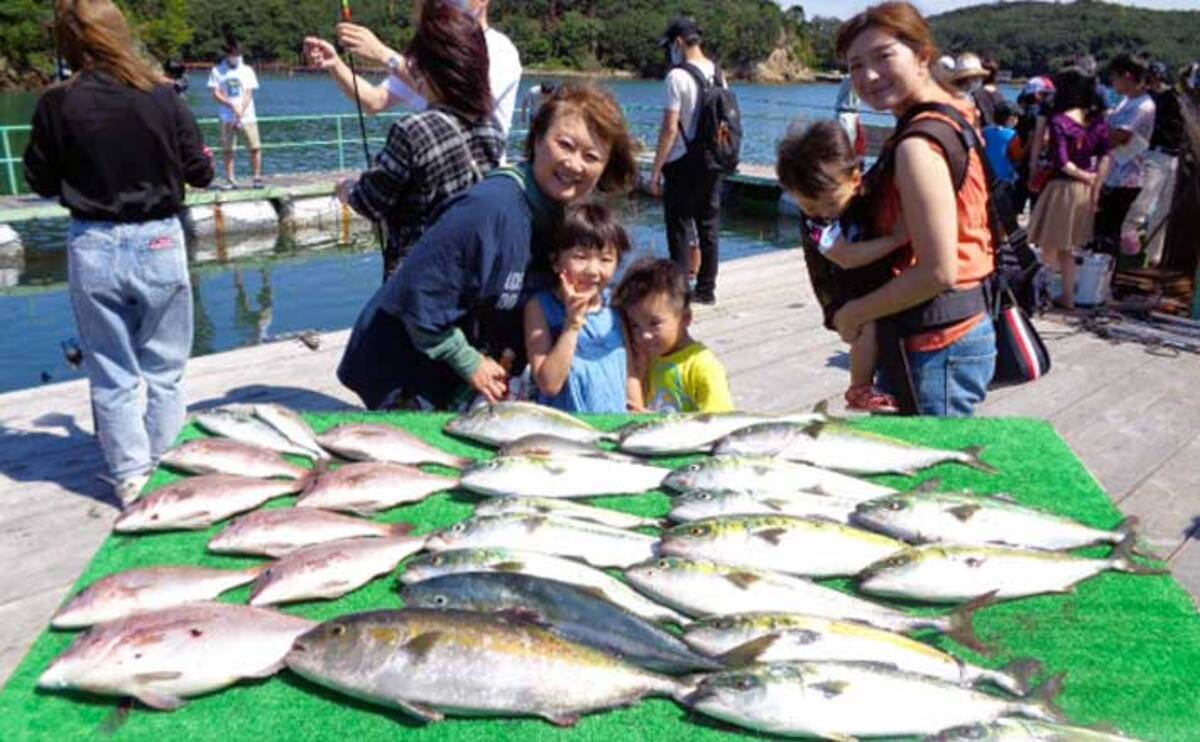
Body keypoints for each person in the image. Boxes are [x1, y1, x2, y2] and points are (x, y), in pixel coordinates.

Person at [336, 83, 638, 410]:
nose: (575, 164)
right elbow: (418, 295)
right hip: (404, 366)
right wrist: (468, 361)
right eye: (564, 144)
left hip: (471, 376)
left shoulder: (559, 213)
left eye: (592, 156)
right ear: (536, 139)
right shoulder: (490, 208)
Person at [23, 0, 214, 504]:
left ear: (69, 44)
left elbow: (38, 180)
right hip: (158, 238)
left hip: (95, 242)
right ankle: (170, 470)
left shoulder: (56, 103)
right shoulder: (163, 96)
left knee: (112, 371)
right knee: (166, 371)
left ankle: (131, 477)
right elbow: (201, 171)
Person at [833, 1, 997, 417]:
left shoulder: (917, 147)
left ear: (922, 55)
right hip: (958, 327)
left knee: (931, 473)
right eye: (855, 66)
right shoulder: (957, 112)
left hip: (935, 342)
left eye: (884, 57)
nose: (868, 76)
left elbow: (937, 271)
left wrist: (855, 312)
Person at [332, 0, 505, 277]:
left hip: (417, 278)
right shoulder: (491, 128)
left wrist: (348, 189)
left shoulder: (413, 130)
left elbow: (371, 200)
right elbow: (375, 100)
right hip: (470, 270)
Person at [777, 120, 909, 413]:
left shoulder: (868, 190)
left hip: (868, 282)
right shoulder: (816, 223)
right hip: (839, 290)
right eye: (809, 206)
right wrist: (897, 240)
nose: (822, 213)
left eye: (829, 203)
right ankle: (859, 387)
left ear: (855, 179)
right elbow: (844, 256)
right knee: (867, 325)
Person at [303, 0, 522, 141]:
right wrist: (336, 65)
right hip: (434, 174)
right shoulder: (429, 50)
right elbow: (374, 101)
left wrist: (382, 54)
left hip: (478, 176)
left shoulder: (501, 49)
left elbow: (463, 100)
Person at [523, 203, 635, 413]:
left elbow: (629, 370)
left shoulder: (616, 306)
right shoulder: (540, 307)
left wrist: (637, 409)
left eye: (605, 259)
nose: (593, 271)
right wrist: (572, 324)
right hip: (566, 431)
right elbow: (549, 385)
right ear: (556, 261)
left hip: (613, 426)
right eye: (580, 257)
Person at [648, 16, 725, 305]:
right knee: (708, 225)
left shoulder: (676, 77)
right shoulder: (718, 73)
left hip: (682, 161)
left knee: (679, 225)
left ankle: (680, 291)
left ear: (679, 42)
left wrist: (655, 172)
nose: (670, 51)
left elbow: (669, 128)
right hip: (713, 161)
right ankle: (706, 289)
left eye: (670, 45)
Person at [1027, 68, 1111, 310]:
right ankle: (1067, 296)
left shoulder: (1059, 121)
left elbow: (1062, 162)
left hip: (1062, 188)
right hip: (1085, 191)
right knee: (1069, 248)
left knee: (1050, 245)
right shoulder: (1098, 121)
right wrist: (1095, 183)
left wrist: (1084, 176)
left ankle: (1044, 292)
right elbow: (1106, 156)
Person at [614, 258, 733, 413]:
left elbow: (718, 423)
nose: (644, 335)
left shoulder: (703, 367)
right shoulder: (649, 357)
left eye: (654, 323)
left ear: (684, 319)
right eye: (635, 325)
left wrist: (655, 421)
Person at [1096, 53, 1156, 253]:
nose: (1112, 82)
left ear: (1128, 76)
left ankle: (1104, 278)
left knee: (1111, 231)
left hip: (1126, 178)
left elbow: (1119, 137)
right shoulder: (1126, 101)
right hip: (1112, 174)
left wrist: (1097, 130)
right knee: (1102, 229)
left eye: (1114, 77)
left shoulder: (1143, 106)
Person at [1132, 61, 1184, 265]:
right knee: (1142, 206)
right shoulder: (1149, 99)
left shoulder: (1171, 97)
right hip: (1155, 155)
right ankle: (1134, 254)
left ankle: (1153, 257)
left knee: (1162, 210)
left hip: (1173, 156)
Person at [208, 39, 262, 189]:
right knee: (228, 149)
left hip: (247, 115)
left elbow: (248, 92)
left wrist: (240, 110)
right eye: (233, 53)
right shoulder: (217, 70)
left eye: (238, 53)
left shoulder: (247, 70)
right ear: (228, 54)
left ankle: (257, 178)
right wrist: (230, 104)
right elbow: (215, 92)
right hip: (227, 116)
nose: (236, 56)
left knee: (254, 146)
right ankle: (231, 179)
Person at [954, 52, 1003, 128]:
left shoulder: (971, 96)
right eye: (974, 77)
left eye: (979, 77)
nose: (978, 80)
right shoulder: (957, 99)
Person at [982, 100, 1019, 185]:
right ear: (1011, 118)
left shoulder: (985, 131)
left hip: (988, 175)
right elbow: (1017, 157)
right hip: (1006, 177)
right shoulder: (1013, 135)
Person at [835, 75, 867, 159]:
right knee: (846, 144)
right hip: (845, 112)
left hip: (854, 113)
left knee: (856, 144)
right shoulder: (849, 78)